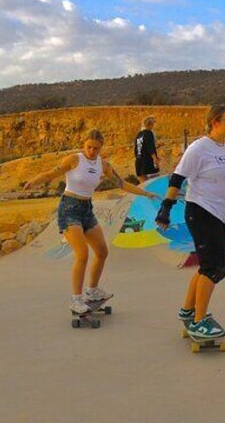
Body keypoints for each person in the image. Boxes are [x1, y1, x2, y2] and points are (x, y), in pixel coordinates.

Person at [154, 105, 225, 340]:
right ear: (215, 122)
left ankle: (187, 311)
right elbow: (177, 178)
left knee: (208, 267)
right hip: (201, 211)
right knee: (214, 269)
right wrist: (166, 208)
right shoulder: (199, 148)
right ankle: (198, 321)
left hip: (221, 214)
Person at [24, 129, 159, 314]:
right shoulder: (73, 160)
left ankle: (92, 291)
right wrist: (34, 181)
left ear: (101, 148)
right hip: (69, 208)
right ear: (83, 145)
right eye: (88, 147)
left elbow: (122, 184)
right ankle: (76, 299)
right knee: (82, 254)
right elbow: (50, 174)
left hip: (87, 209)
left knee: (102, 251)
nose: (91, 151)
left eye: (96, 148)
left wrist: (145, 192)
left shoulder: (103, 165)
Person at [134, 116, 161, 183]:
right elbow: (150, 147)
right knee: (154, 182)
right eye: (153, 124)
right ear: (150, 124)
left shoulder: (139, 134)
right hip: (147, 161)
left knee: (143, 185)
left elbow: (136, 148)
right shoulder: (149, 133)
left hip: (139, 161)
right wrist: (155, 158)